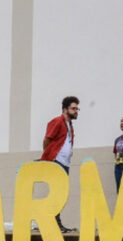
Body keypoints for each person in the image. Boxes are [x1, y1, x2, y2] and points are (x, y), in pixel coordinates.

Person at [41, 96, 80, 233]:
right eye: (73, 108)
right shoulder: (57, 121)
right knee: (57, 193)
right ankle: (54, 224)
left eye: (77, 109)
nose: (76, 111)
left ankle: (55, 222)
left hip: (65, 163)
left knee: (60, 194)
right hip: (56, 162)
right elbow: (47, 140)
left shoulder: (70, 125)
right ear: (65, 109)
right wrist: (50, 156)